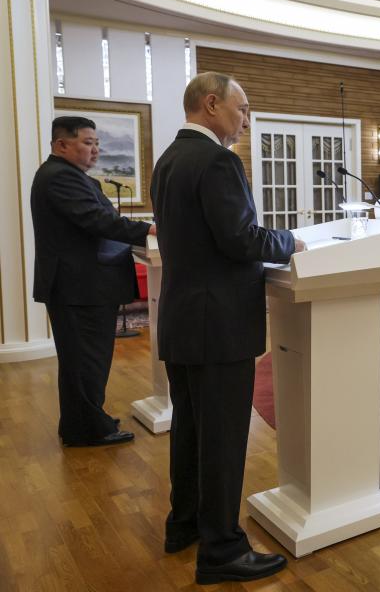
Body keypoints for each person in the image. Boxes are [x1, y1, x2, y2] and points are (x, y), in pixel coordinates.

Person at [151, 72, 301, 584]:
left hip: (182, 319)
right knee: (222, 440)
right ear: (211, 104)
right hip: (218, 326)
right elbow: (239, 239)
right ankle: (222, 550)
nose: (246, 119)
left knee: (191, 431)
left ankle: (185, 524)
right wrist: (288, 242)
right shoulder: (217, 160)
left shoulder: (168, 158)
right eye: (243, 108)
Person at [31, 116, 155, 448]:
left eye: (97, 143)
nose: (96, 150)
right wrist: (148, 229)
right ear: (62, 145)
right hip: (78, 288)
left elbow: (102, 220)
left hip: (82, 286)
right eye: (88, 142)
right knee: (85, 361)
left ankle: (81, 420)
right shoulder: (59, 178)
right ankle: (86, 429)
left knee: (85, 360)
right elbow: (97, 220)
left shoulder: (70, 176)